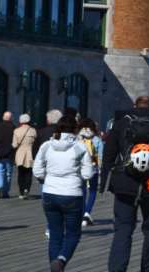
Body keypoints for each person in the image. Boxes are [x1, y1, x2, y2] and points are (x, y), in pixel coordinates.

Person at [100, 96, 149, 272]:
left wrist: (103, 184)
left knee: (123, 230)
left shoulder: (121, 123)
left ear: (134, 106)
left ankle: (117, 269)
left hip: (124, 184)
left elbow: (108, 155)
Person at [34, 116, 95, 271]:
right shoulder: (80, 148)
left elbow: (37, 170)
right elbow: (88, 174)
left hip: (49, 192)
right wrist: (77, 177)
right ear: (75, 130)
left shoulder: (47, 146)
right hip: (72, 194)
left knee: (55, 234)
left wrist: (45, 178)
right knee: (73, 234)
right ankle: (61, 260)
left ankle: (54, 265)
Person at [78, 119, 102, 227]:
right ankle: (87, 212)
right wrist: (101, 169)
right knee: (92, 191)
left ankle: (82, 213)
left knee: (82, 191)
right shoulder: (97, 140)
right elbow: (101, 157)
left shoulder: (78, 138)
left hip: (81, 168)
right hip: (93, 168)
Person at [0, 111, 15, 199]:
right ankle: (5, 192)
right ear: (11, 118)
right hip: (9, 154)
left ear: (3, 117)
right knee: (8, 173)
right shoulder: (13, 128)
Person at [13, 113, 38, 198]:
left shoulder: (16, 131)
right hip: (30, 153)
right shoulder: (33, 130)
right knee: (29, 172)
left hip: (20, 154)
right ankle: (27, 189)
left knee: (21, 173)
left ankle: (21, 192)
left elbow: (14, 145)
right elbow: (35, 142)